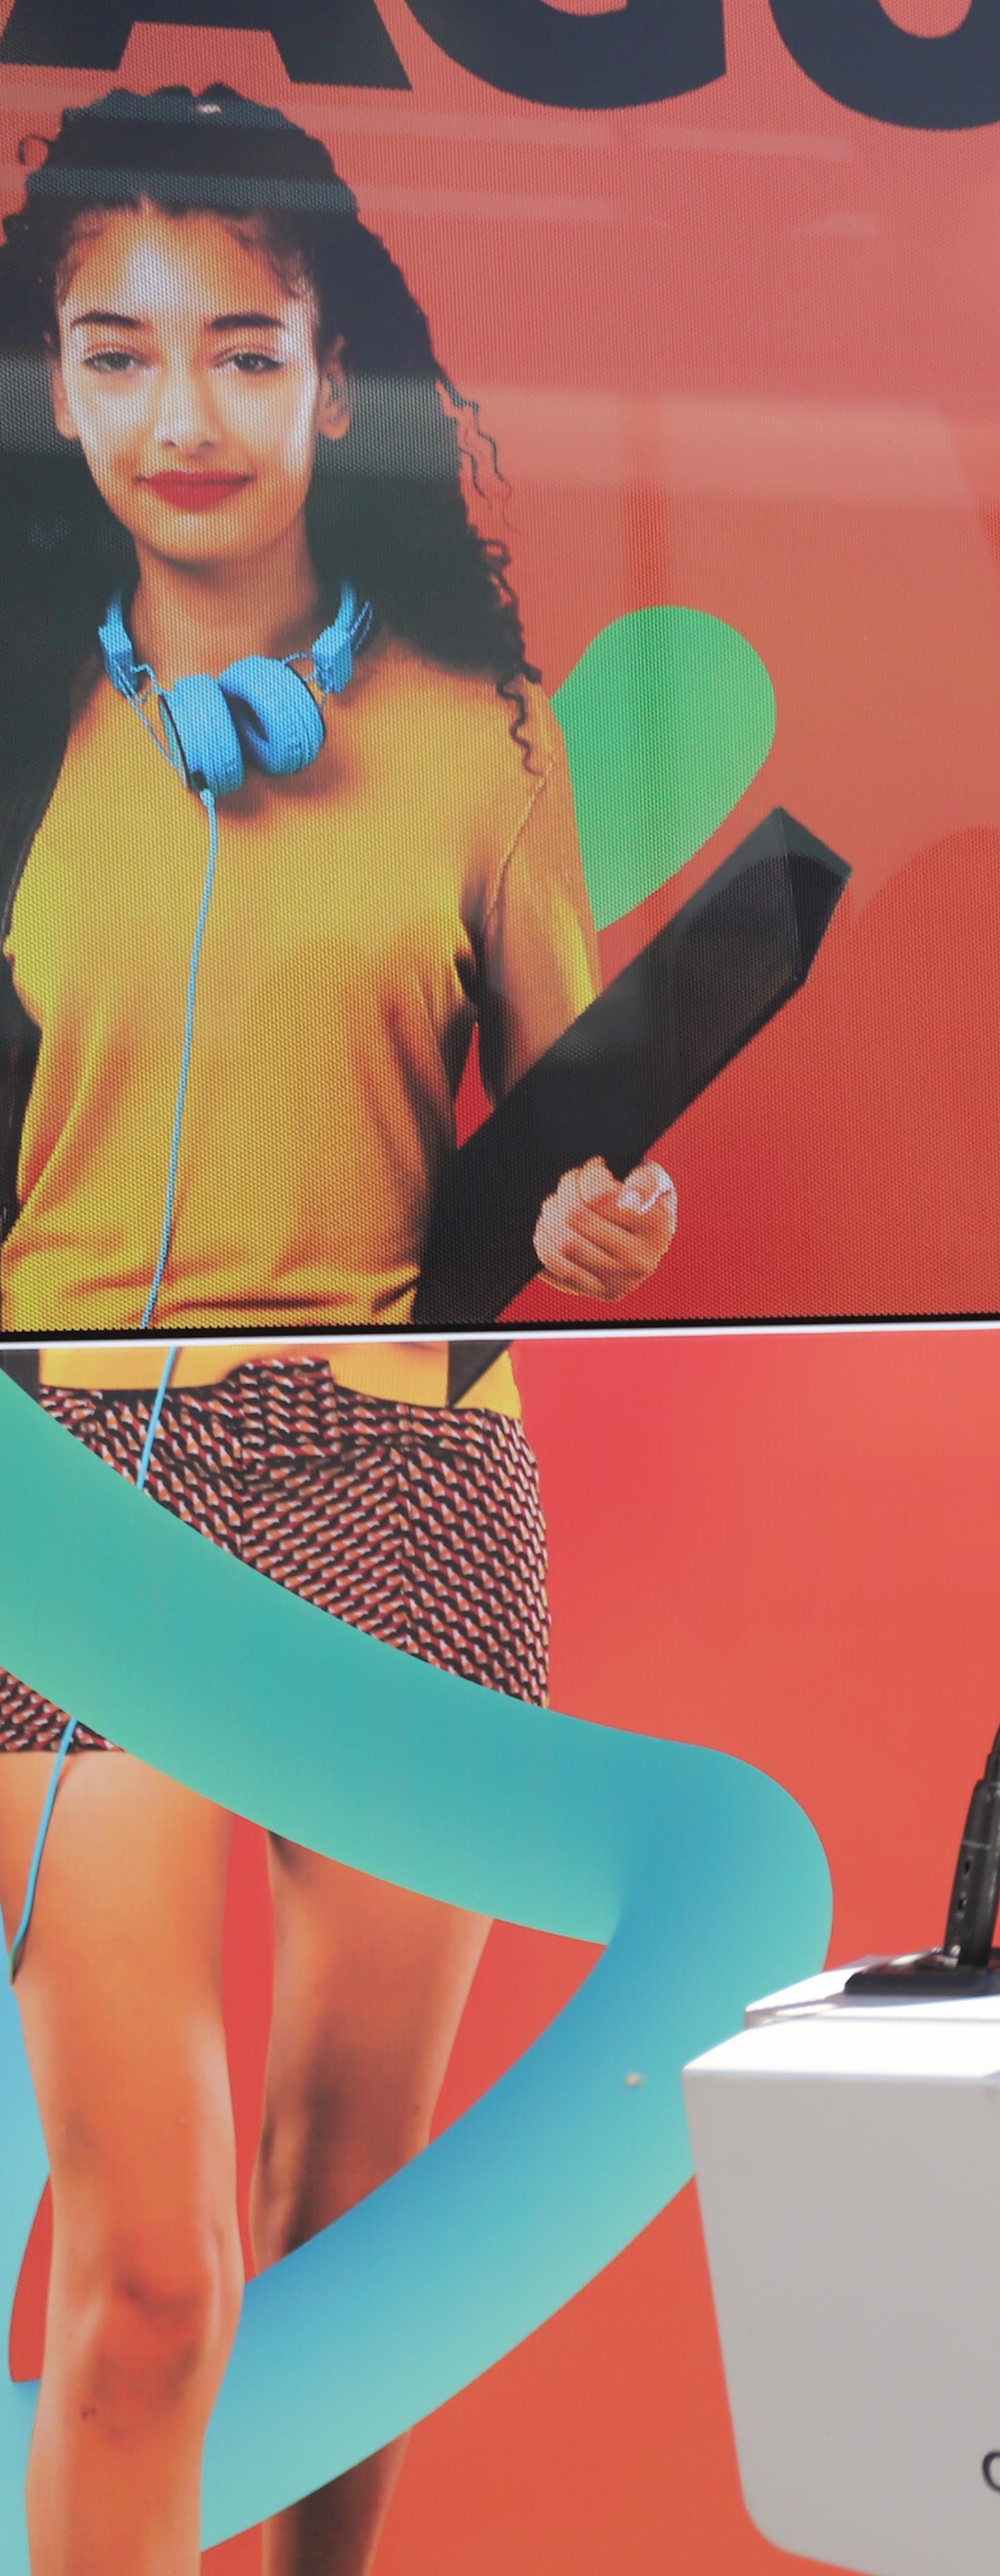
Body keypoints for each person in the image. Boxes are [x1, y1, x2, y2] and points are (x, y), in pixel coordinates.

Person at [0, 86, 672, 2576]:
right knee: (152, 2268)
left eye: (244, 354)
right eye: (115, 353)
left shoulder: (478, 742)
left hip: (399, 1478)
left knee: (342, 2224)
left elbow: (574, 1131)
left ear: (331, 387)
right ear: (51, 390)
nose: (182, 417)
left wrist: (616, 1211)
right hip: (70, 1497)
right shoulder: (9, 744)